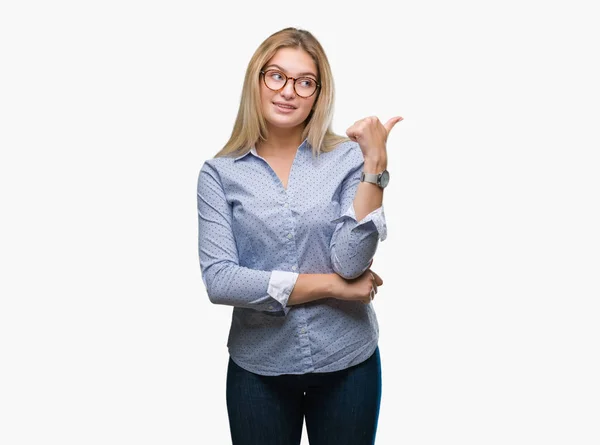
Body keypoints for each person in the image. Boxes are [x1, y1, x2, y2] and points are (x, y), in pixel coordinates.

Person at [197, 26, 402, 445]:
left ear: (318, 94)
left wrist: (375, 162)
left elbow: (351, 261)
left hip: (347, 361)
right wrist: (333, 288)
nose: (288, 91)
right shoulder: (219, 174)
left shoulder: (348, 157)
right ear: (256, 79)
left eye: (305, 82)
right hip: (259, 369)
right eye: (276, 75)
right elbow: (220, 280)